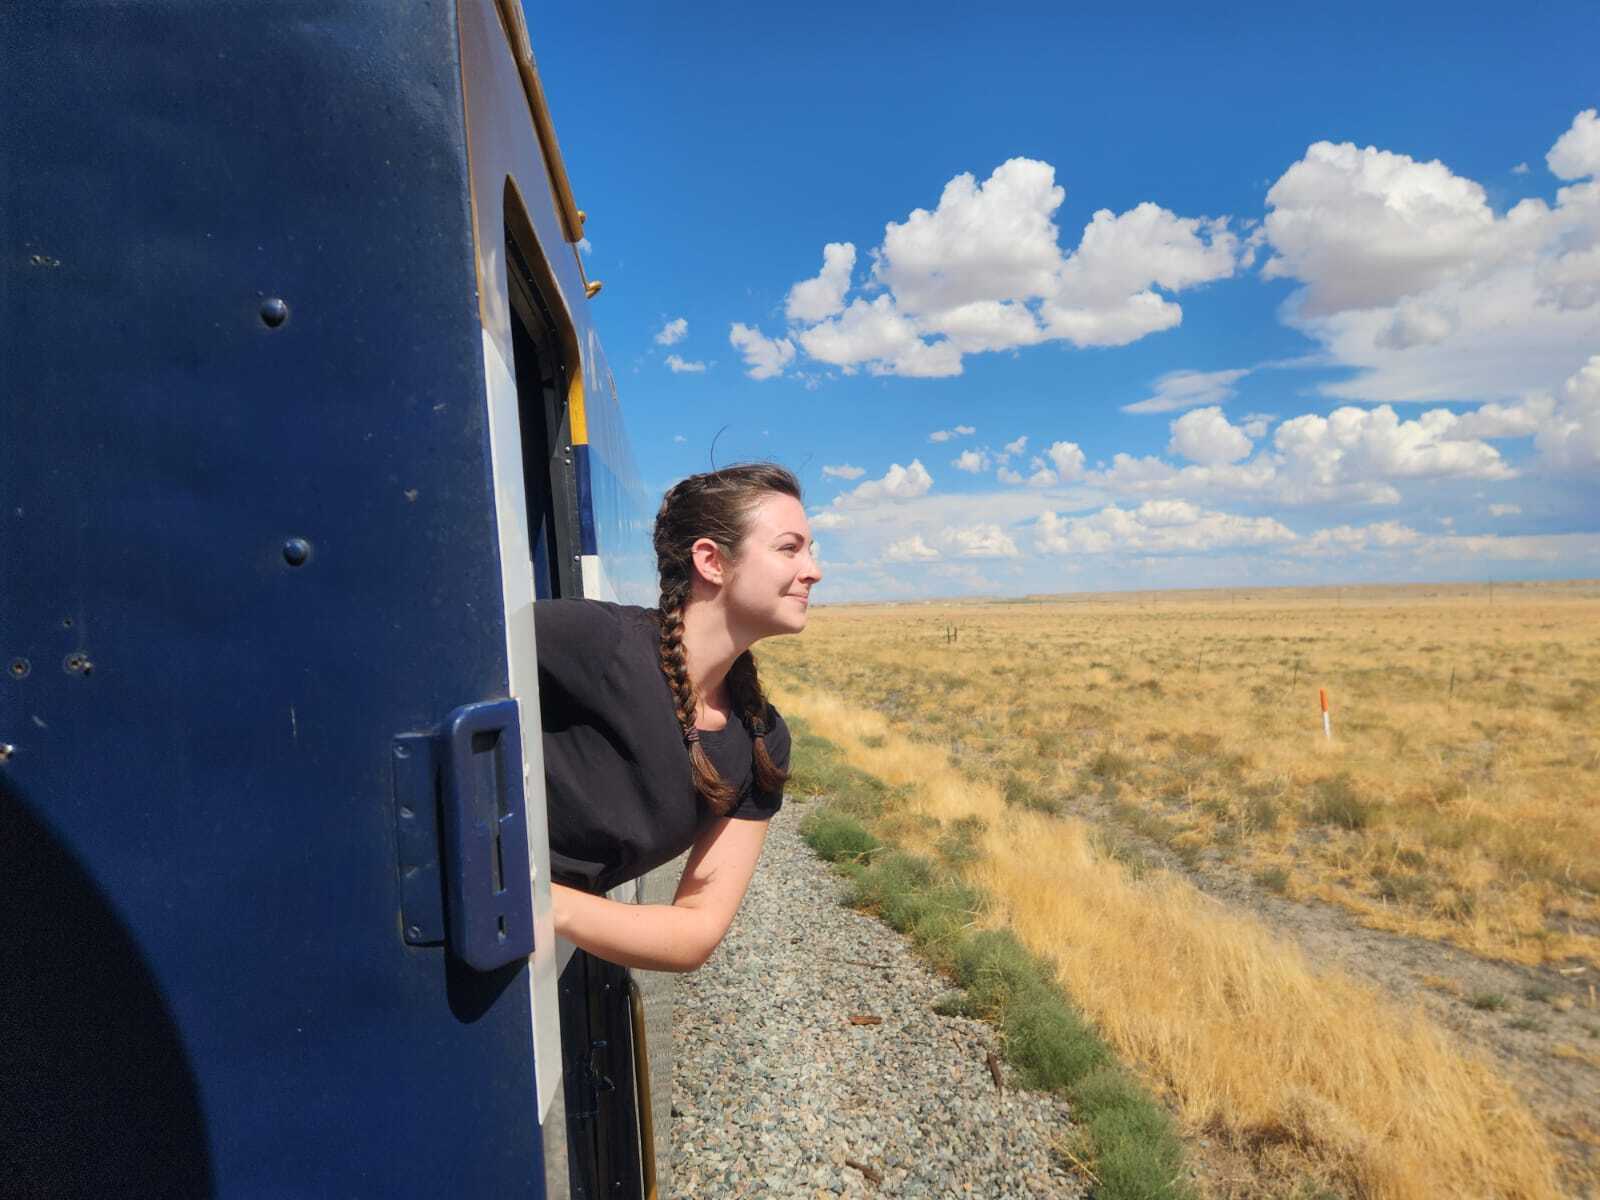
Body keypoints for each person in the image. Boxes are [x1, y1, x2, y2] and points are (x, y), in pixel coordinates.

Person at [533, 463, 821, 972]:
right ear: (711, 561)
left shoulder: (761, 740)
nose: (813, 570)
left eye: (810, 550)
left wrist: (538, 901)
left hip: (522, 954)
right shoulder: (600, 643)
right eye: (789, 548)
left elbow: (694, 932)